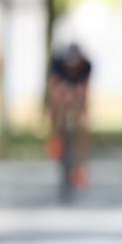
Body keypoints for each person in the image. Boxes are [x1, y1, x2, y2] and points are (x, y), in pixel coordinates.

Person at [46, 43, 92, 189]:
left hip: (77, 87)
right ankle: (56, 137)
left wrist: (81, 108)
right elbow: (54, 87)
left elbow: (84, 89)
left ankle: (80, 157)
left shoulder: (86, 65)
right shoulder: (57, 63)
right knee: (57, 104)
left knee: (83, 119)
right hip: (61, 86)